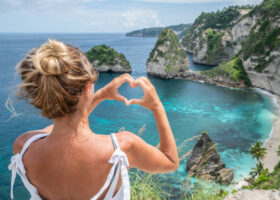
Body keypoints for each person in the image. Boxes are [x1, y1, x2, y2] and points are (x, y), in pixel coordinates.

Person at [8, 39, 179, 200]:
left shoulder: (23, 146)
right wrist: (157, 106)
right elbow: (171, 162)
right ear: (86, 88)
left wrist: (99, 96)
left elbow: (58, 130)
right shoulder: (122, 148)